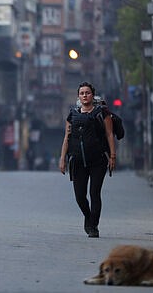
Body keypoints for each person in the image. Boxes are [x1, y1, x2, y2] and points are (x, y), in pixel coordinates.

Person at [59, 82, 116, 238]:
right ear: (78, 96)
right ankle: (88, 216)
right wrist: (62, 158)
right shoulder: (72, 115)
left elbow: (110, 134)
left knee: (94, 193)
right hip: (77, 161)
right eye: (82, 93)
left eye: (87, 93)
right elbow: (67, 137)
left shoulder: (101, 113)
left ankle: (93, 226)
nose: (85, 95)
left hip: (98, 160)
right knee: (80, 196)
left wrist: (112, 156)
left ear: (93, 95)